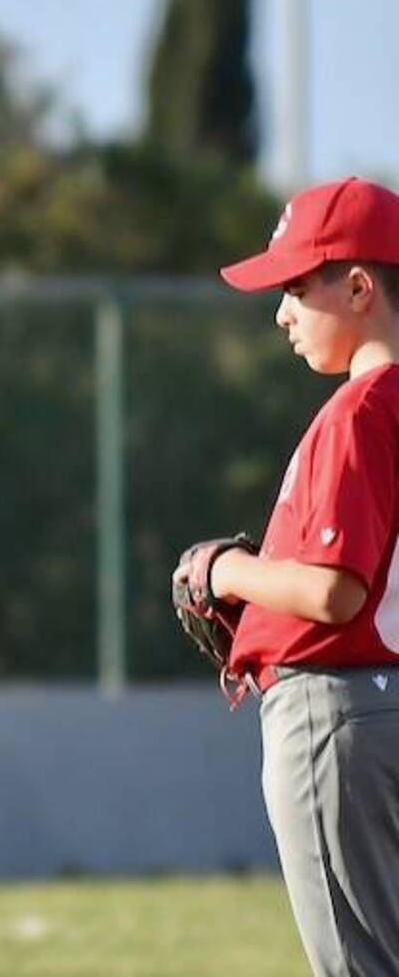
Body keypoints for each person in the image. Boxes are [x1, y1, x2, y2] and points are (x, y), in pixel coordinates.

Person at [178, 176, 399, 974]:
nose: (282, 313)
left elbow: (336, 588)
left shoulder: (360, 411)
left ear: (360, 286)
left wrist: (228, 571)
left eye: (298, 287)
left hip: (337, 714)